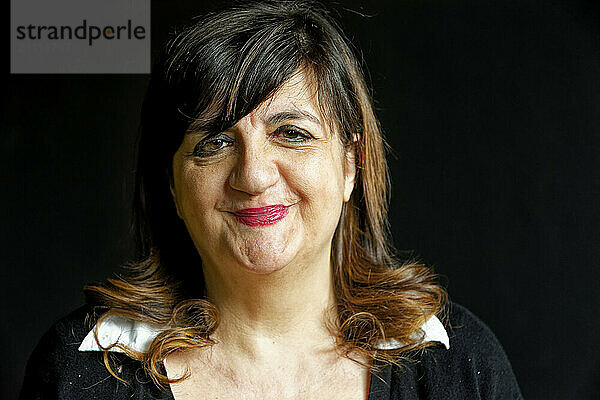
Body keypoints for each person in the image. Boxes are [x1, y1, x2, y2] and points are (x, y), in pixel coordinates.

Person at [19, 1, 522, 399]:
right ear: (172, 184)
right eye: (214, 142)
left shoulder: (458, 365)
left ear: (350, 165)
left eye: (292, 133)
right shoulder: (82, 370)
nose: (254, 175)